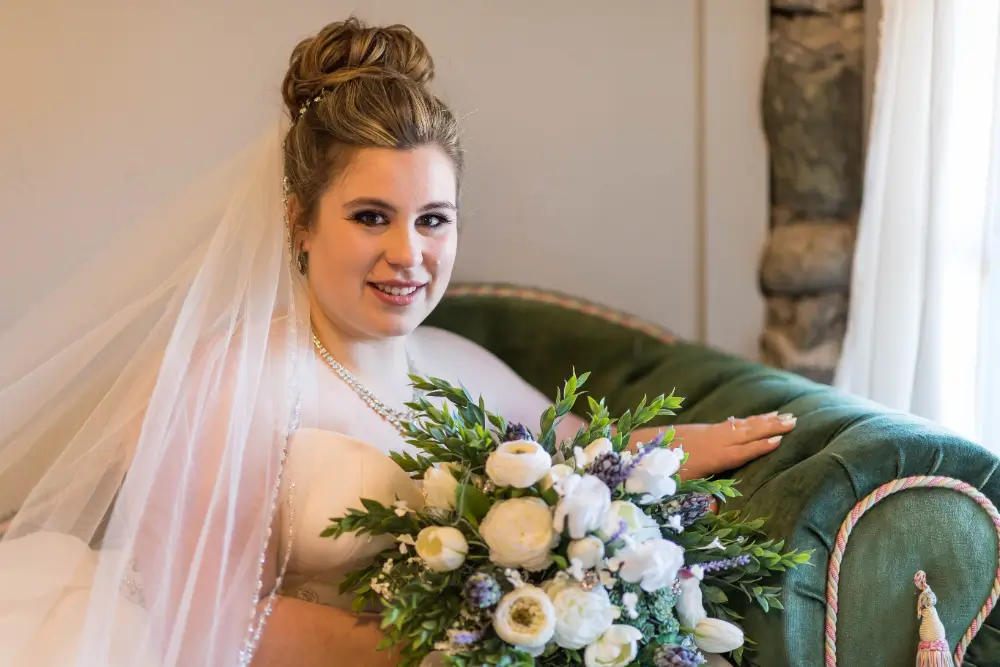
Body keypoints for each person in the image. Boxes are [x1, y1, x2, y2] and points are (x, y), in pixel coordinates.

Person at [0, 17, 795, 667]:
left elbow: (585, 465)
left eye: (433, 220)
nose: (409, 254)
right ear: (299, 223)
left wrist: (689, 447)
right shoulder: (230, 380)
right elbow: (208, 621)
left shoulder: (456, 363)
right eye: (371, 216)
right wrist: (450, 648)